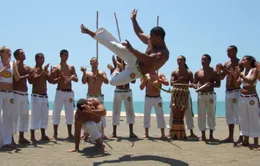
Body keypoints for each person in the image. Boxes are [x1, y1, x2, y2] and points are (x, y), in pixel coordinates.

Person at [80, 10, 169, 86]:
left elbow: (148, 60)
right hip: (135, 59)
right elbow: (139, 33)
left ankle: (118, 68)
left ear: (159, 38)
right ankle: (89, 32)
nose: (150, 39)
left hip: (137, 72)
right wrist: (133, 20)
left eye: (152, 37)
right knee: (116, 46)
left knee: (112, 82)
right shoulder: (152, 40)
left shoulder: (163, 54)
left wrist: (132, 49)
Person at [230, 55, 260, 150]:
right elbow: (237, 84)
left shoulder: (254, 70)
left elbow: (251, 81)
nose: (242, 61)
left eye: (244, 59)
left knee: (254, 118)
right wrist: (235, 77)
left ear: (250, 61)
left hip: (251, 97)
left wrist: (241, 75)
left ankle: (256, 142)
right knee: (243, 119)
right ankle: (245, 140)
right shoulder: (242, 71)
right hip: (243, 97)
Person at [216, 45, 244, 143]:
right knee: (229, 115)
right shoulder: (226, 63)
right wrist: (219, 71)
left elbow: (237, 75)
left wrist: (224, 68)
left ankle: (241, 136)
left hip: (236, 91)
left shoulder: (240, 62)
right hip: (227, 92)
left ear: (235, 51)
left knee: (239, 114)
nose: (228, 53)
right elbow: (221, 78)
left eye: (230, 51)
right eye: (227, 51)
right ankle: (230, 136)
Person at [0, 46, 27, 147]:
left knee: (8, 117)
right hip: (0, 92)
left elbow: (17, 79)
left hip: (9, 93)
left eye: (10, 51)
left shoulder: (12, 64)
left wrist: (15, 68)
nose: (9, 53)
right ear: (1, 53)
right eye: (7, 51)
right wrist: (5, 68)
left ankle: (7, 141)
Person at [51, 49, 78, 140]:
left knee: (70, 112)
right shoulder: (56, 67)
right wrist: (60, 78)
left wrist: (71, 78)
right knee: (56, 112)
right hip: (59, 91)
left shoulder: (71, 67)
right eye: (64, 55)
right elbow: (53, 81)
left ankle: (70, 133)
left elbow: (76, 79)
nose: (66, 57)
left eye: (67, 55)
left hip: (69, 92)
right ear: (60, 56)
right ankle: (55, 134)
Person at [108, 56, 137, 138]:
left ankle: (131, 132)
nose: (119, 58)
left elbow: (134, 81)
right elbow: (112, 80)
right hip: (118, 91)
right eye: (118, 57)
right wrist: (112, 69)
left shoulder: (128, 67)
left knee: (130, 111)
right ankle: (114, 132)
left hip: (127, 91)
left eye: (120, 57)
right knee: (116, 111)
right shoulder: (115, 68)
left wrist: (128, 73)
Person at [194, 54, 221, 142]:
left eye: (205, 60)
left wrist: (210, 84)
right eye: (202, 60)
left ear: (209, 61)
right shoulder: (198, 72)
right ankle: (203, 135)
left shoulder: (214, 71)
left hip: (210, 95)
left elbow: (218, 84)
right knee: (201, 114)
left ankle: (211, 135)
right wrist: (197, 86)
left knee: (211, 114)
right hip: (201, 95)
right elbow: (195, 84)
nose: (203, 61)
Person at [81, 57, 109, 139]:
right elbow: (83, 82)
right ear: (90, 63)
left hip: (99, 97)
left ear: (98, 63)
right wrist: (84, 72)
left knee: (101, 115)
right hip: (90, 97)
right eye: (92, 61)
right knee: (87, 114)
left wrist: (100, 75)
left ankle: (102, 133)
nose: (94, 62)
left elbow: (107, 82)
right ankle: (86, 134)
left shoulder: (102, 72)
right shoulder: (88, 73)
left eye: (95, 61)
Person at [169, 55, 197, 138]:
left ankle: (191, 131)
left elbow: (193, 83)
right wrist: (178, 80)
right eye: (178, 60)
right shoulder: (174, 72)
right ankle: (171, 130)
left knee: (188, 112)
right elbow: (172, 83)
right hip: (176, 94)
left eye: (180, 60)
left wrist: (193, 85)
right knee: (172, 111)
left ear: (184, 61)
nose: (179, 61)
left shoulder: (189, 72)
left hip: (185, 93)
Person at [29, 53, 53, 142]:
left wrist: (52, 73)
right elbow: (32, 80)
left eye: (43, 58)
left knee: (44, 116)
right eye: (41, 58)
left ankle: (43, 135)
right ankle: (32, 136)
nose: (42, 60)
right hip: (36, 96)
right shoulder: (33, 69)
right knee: (35, 116)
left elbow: (51, 81)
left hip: (44, 96)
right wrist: (44, 71)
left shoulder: (44, 70)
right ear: (36, 59)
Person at [140, 70, 169, 138]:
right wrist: (144, 80)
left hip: (157, 98)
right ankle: (146, 133)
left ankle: (163, 134)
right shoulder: (145, 75)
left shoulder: (160, 74)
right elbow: (141, 87)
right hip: (148, 98)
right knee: (147, 115)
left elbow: (167, 83)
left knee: (160, 115)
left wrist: (160, 81)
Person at [13, 49, 32, 144]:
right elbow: (17, 80)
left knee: (24, 116)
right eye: (21, 53)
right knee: (14, 116)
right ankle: (12, 138)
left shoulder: (27, 67)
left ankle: (21, 137)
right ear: (16, 56)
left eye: (24, 52)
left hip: (25, 94)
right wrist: (27, 75)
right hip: (16, 93)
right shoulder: (14, 66)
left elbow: (31, 81)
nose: (24, 54)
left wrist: (32, 75)